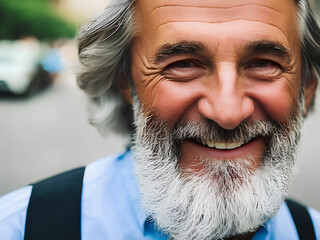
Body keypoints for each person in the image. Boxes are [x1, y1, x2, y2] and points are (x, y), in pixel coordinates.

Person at [1, 0, 320, 239]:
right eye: (183, 64)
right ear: (127, 82)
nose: (227, 112)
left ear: (306, 88)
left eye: (264, 63)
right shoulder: (20, 228)